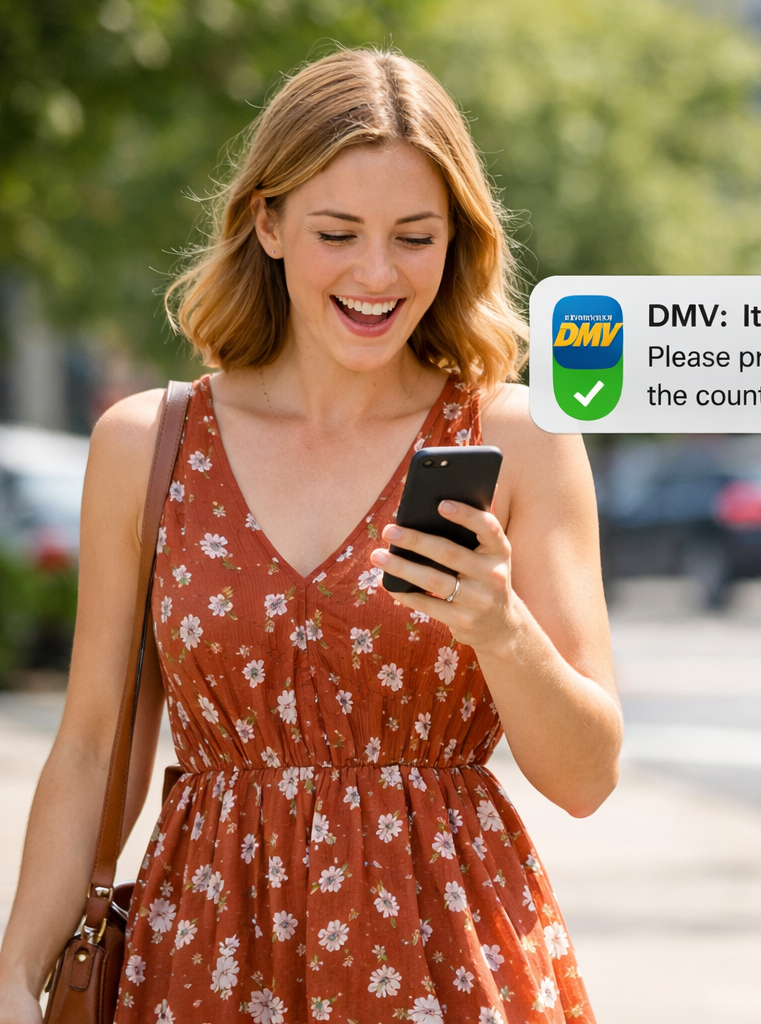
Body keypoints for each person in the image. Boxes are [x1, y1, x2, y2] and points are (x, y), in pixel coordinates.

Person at [0, 47, 621, 1024]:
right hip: (204, 964)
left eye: (415, 236)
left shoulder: (516, 438)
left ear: (457, 240)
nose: (377, 274)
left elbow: (585, 777)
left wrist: (501, 628)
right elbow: (88, 752)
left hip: (446, 971)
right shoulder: (148, 444)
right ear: (269, 222)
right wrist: (11, 975)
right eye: (339, 232)